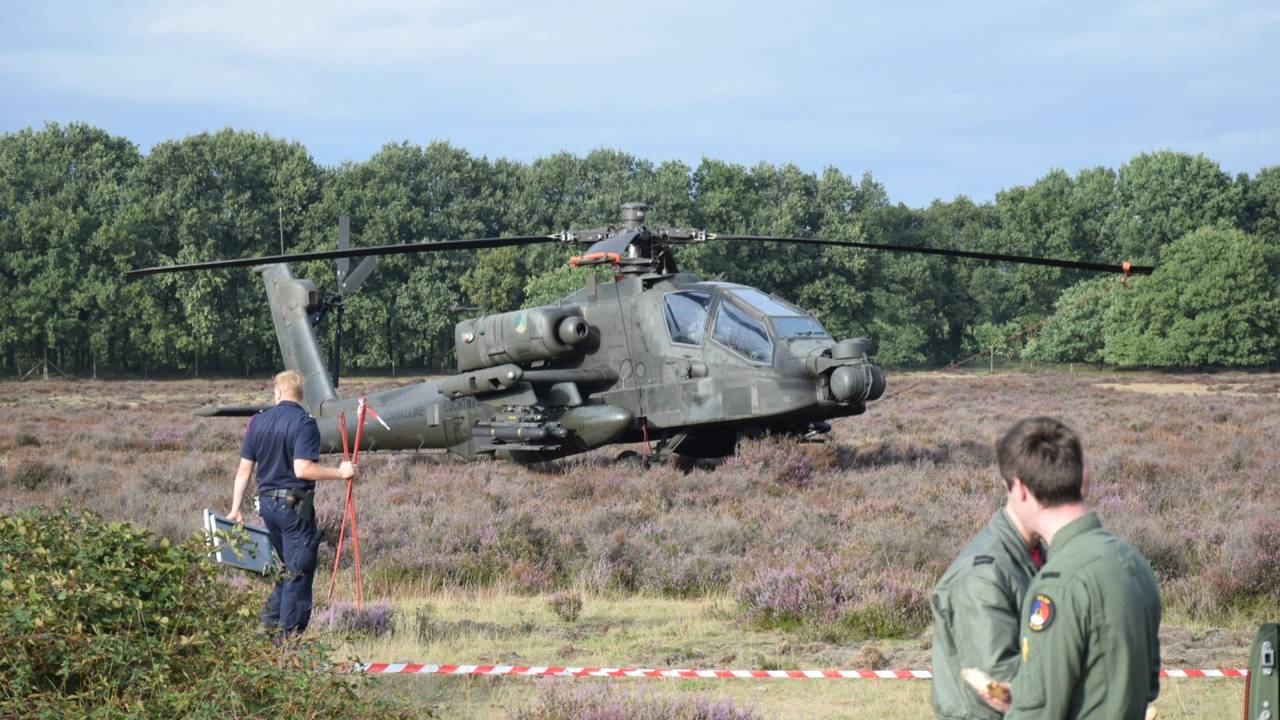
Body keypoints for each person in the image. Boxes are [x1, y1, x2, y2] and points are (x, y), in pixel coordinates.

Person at [986, 416, 1161, 719]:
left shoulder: (1057, 585)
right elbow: (1147, 687)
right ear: (1082, 479)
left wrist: (1018, 703)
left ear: (1023, 490)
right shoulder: (1133, 561)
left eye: (1007, 488)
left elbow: (1039, 713)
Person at [228, 370, 354, 639]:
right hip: (293, 508)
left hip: (266, 507)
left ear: (277, 393)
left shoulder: (256, 423)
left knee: (285, 570)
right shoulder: (304, 423)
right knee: (298, 572)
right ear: (301, 396)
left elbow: (243, 471)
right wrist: (340, 473)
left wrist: (235, 508)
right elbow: (303, 469)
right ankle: (287, 643)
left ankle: (268, 632)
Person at [930, 431, 1044, 719]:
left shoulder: (1037, 554)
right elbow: (997, 685)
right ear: (1020, 489)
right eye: (1058, 491)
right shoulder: (983, 578)